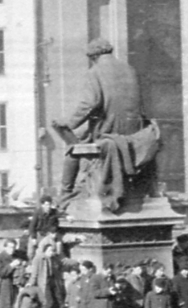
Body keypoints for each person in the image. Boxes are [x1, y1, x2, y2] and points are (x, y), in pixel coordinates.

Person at [53, 39, 146, 204]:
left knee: (73, 149)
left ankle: (65, 194)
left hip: (109, 130)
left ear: (93, 56)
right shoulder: (130, 69)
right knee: (83, 136)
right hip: (135, 131)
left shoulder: (95, 72)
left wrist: (69, 122)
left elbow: (90, 103)